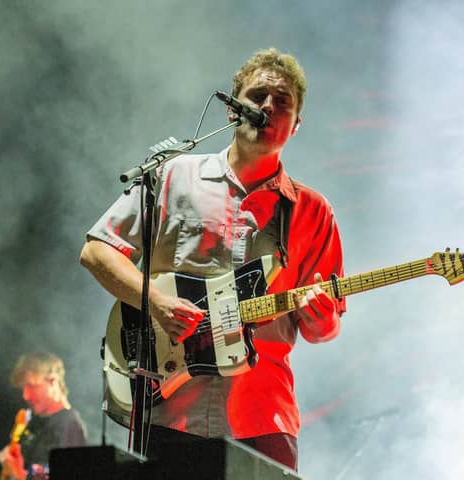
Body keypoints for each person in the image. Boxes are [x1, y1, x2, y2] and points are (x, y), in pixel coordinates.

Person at [80, 47, 345, 471]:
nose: (268, 108)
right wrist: (157, 304)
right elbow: (97, 250)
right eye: (258, 96)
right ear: (232, 110)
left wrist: (320, 314)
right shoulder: (172, 176)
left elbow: (323, 329)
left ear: (296, 126)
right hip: (168, 408)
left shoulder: (313, 211)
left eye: (283, 103)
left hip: (262, 415)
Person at [0, 353, 87, 479]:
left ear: (53, 381)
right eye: (24, 388)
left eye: (33, 387)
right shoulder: (34, 422)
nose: (26, 395)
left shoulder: (70, 425)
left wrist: (17, 474)